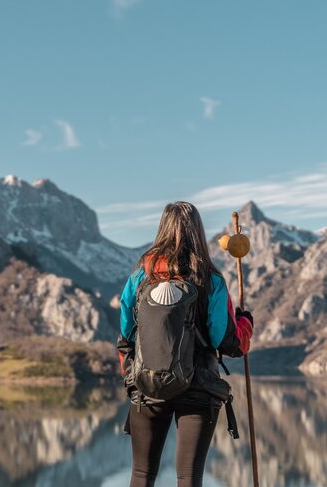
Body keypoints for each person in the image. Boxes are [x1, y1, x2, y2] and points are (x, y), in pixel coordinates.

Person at [116, 201, 253, 487]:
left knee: (141, 474)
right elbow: (225, 341)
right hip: (198, 386)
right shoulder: (210, 278)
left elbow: (126, 331)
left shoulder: (142, 275)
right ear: (198, 231)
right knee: (189, 478)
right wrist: (245, 323)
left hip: (148, 384)